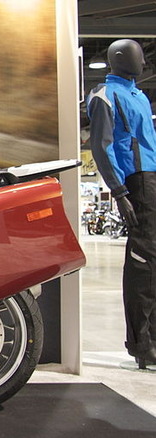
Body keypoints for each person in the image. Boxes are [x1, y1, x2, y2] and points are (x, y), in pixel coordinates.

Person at [86, 39, 156, 369]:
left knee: (154, 266)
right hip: (136, 184)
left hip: (151, 180)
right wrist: (119, 191)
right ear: (118, 59)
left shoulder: (139, 95)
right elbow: (102, 147)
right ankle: (141, 343)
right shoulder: (105, 96)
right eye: (136, 55)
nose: (142, 61)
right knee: (143, 265)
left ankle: (152, 337)